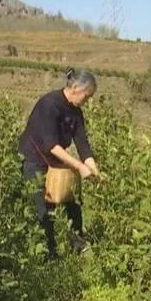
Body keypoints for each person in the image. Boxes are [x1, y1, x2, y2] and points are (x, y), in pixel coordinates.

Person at [18, 68, 101, 259]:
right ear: (75, 89)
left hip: (55, 162)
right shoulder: (49, 104)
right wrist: (79, 167)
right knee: (43, 208)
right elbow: (51, 145)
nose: (86, 101)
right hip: (34, 160)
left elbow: (82, 143)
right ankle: (49, 256)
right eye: (86, 97)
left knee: (72, 204)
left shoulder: (76, 112)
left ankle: (79, 248)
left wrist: (94, 169)